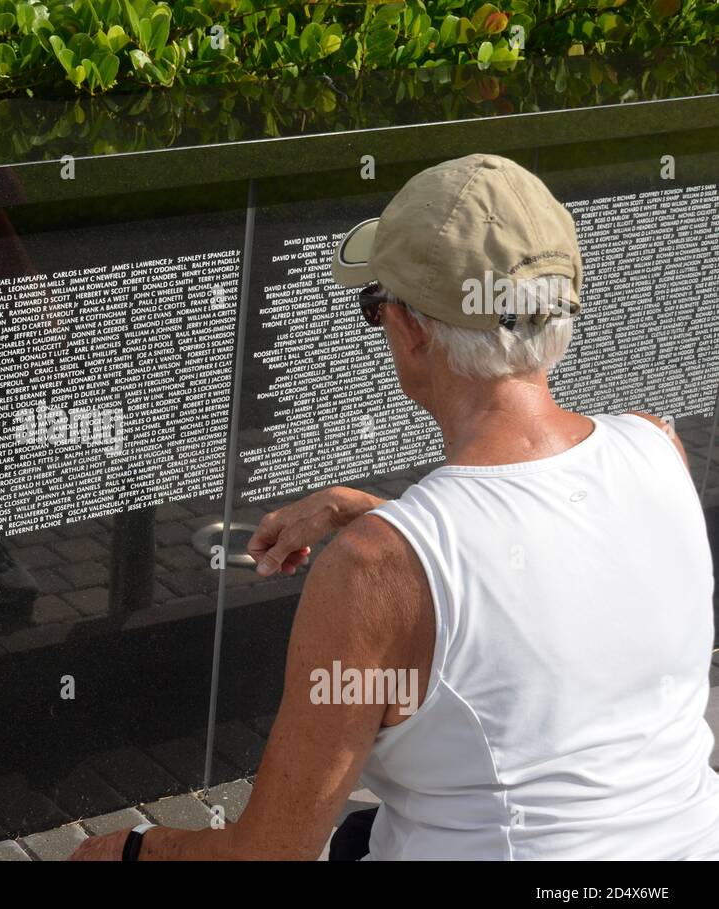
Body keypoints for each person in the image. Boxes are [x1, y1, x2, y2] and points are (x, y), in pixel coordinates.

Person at [71, 153, 719, 860]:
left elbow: (269, 854)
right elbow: (543, 571)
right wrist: (377, 515)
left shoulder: (373, 574)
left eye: (374, 304)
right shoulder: (658, 448)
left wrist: (129, 849)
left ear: (413, 330)